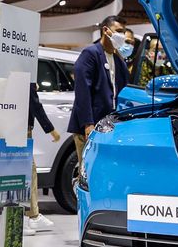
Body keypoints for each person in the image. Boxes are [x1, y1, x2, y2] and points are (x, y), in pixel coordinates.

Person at [68, 15, 130, 167]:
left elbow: (123, 89)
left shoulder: (117, 59)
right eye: (118, 31)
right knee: (88, 171)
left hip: (110, 126)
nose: (121, 36)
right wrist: (88, 123)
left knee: (103, 169)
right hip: (91, 125)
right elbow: (83, 91)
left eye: (124, 32)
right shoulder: (90, 54)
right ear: (105, 30)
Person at [23, 80, 61, 235]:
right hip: (20, 127)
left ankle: (32, 215)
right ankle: (28, 217)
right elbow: (34, 102)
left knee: (28, 171)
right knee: (26, 172)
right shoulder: (24, 64)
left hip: (16, 124)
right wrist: (50, 129)